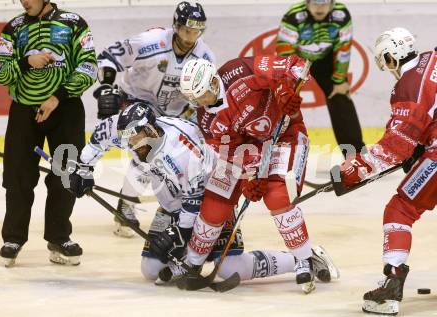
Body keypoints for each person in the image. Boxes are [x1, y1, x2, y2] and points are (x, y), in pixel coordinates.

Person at [68, 102, 337, 286]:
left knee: (232, 269)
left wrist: (177, 233)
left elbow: (196, 202)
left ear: (150, 131)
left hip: (211, 202)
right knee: (150, 271)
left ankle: (305, 258)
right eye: (127, 140)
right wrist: (83, 168)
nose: (129, 146)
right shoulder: (129, 130)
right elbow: (99, 138)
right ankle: (186, 256)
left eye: (134, 140)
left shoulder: (185, 150)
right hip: (173, 206)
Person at [172, 55, 325, 293]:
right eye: (193, 98)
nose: (200, 102)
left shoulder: (239, 71)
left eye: (201, 94)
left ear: (213, 82)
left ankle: (305, 259)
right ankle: (192, 262)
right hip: (248, 150)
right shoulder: (206, 117)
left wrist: (285, 91)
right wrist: (252, 175)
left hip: (285, 136)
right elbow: (231, 151)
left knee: (277, 197)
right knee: (215, 202)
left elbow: (295, 65)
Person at [335, 28, 436, 315]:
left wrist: (352, 171)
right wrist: (420, 146)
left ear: (391, 57)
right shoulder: (431, 59)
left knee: (400, 210)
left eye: (384, 62)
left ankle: (392, 283)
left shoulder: (407, 85)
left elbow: (394, 146)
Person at [94, 1, 216, 237]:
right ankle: (126, 205)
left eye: (197, 31)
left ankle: (173, 209)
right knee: (147, 155)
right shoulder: (151, 41)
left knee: (178, 160)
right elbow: (109, 57)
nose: (191, 37)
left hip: (175, 112)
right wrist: (108, 86)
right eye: (186, 30)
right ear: (176, 25)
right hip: (137, 101)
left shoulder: (205, 56)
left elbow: (206, 93)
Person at [0, 0, 97, 267]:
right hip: (24, 110)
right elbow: (1, 72)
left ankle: (59, 236)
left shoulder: (74, 23)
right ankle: (13, 238)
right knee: (17, 174)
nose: (24, 1)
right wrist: (26, 61)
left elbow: (89, 66)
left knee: (66, 174)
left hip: (65, 108)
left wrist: (57, 97)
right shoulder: (14, 28)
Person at [276, 0, 364, 157]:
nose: (319, 8)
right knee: (282, 99)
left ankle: (357, 155)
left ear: (332, 3)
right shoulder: (293, 15)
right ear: (307, 3)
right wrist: (286, 85)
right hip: (297, 59)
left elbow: (343, 48)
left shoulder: (341, 14)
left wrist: (339, 80)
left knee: (340, 96)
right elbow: (284, 52)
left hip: (326, 59)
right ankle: (272, 150)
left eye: (324, 3)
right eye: (315, 3)